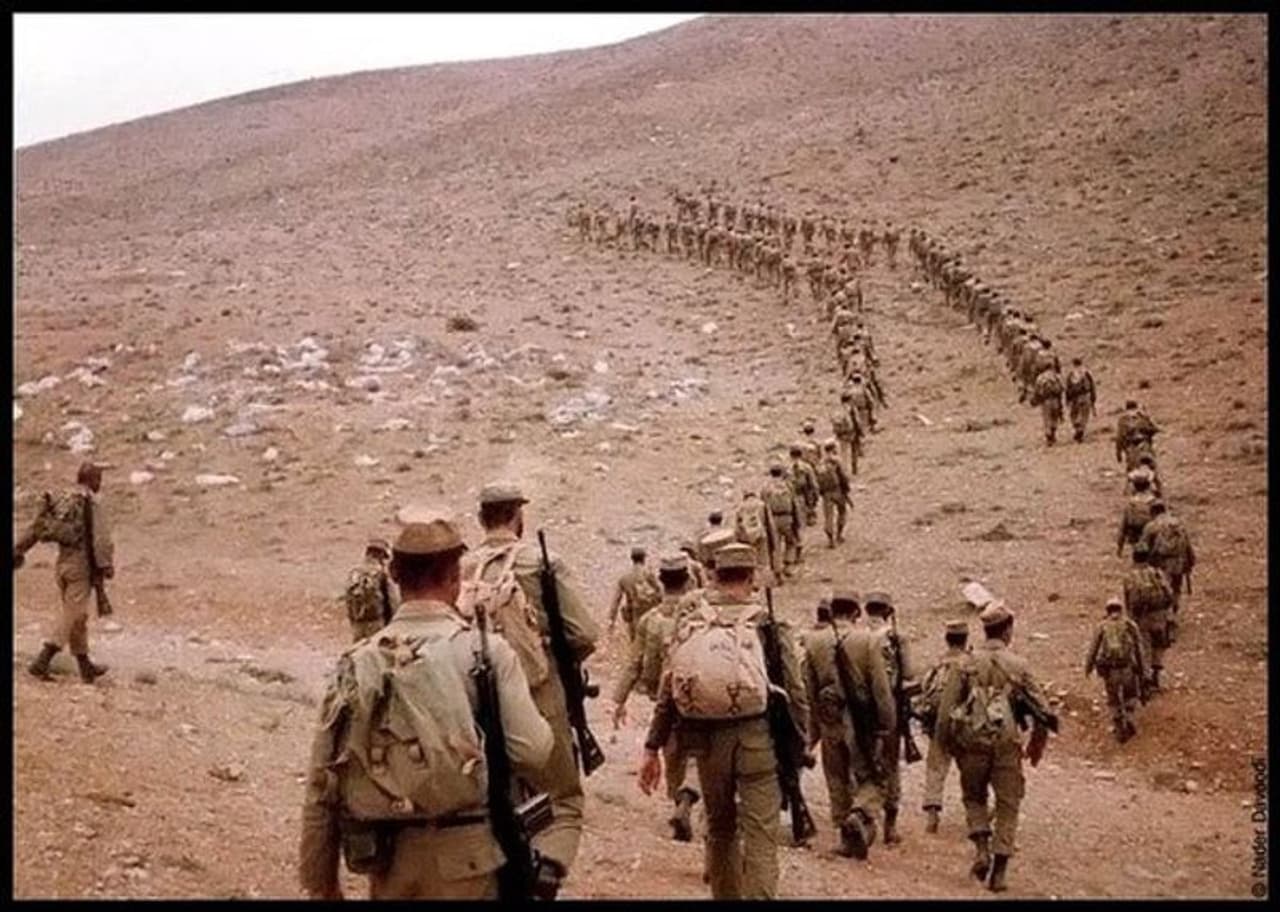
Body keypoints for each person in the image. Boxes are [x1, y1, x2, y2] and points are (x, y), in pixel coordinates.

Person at [298, 517, 554, 900]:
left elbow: (323, 782)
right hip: (471, 862)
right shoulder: (485, 653)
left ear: (395, 577)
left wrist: (322, 883)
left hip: (388, 862)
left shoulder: (358, 661)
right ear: (455, 578)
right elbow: (533, 752)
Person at [638, 543, 808, 899]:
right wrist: (799, 744)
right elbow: (795, 692)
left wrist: (652, 746)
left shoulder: (693, 622)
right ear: (751, 577)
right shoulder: (767, 624)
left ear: (714, 576)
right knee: (761, 836)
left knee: (719, 829)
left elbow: (669, 688)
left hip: (707, 743)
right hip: (757, 741)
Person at [463, 482, 600, 895]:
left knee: (492, 793)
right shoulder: (541, 563)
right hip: (539, 693)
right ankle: (550, 864)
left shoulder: (462, 568)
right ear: (518, 517)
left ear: (481, 518)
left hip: (473, 699)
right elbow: (584, 633)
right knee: (563, 798)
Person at [935, 602, 1057, 893]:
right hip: (1006, 743)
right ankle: (999, 872)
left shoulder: (966, 663)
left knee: (974, 796)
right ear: (1007, 631)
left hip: (971, 742)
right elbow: (1044, 710)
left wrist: (945, 745)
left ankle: (981, 849)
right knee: (1008, 803)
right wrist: (1037, 743)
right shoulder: (1019, 665)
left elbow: (946, 709)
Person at [612, 553, 700, 841]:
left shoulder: (649, 620)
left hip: (666, 700)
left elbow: (634, 664)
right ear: (688, 581)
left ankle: (678, 801)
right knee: (698, 752)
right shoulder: (701, 614)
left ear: (661, 582)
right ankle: (690, 800)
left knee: (673, 753)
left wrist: (619, 700)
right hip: (699, 697)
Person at [802, 591, 895, 860]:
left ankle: (845, 835)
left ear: (832, 612)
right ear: (856, 612)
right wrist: (886, 724)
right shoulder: (868, 640)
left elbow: (809, 691)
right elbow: (880, 688)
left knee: (836, 777)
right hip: (862, 721)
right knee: (873, 776)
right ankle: (861, 811)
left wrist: (813, 732)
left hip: (829, 719)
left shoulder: (814, 641)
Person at [16, 461, 114, 683]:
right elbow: (102, 538)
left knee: (77, 616)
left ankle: (85, 665)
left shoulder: (63, 500)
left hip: (62, 564)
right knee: (72, 615)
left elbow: (36, 528)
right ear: (91, 480)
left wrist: (19, 549)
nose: (100, 483)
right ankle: (43, 660)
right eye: (98, 479)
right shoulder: (92, 502)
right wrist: (105, 565)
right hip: (81, 567)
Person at [863, 591, 917, 845]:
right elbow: (909, 673)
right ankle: (890, 826)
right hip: (890, 708)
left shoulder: (857, 637)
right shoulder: (896, 638)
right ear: (888, 612)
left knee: (865, 762)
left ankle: (865, 816)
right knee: (891, 764)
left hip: (863, 710)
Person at [918, 620, 971, 834]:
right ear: (965, 640)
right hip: (962, 724)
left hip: (938, 723)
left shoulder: (938, 663)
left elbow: (924, 689)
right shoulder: (969, 663)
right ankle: (975, 813)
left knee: (935, 767)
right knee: (969, 769)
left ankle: (932, 812)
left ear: (947, 640)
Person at [1084, 597, 1146, 742]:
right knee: (1130, 695)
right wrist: (1142, 669)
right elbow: (1139, 648)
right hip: (1127, 668)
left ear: (1108, 610)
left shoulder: (1102, 626)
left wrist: (1088, 667)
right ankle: (1129, 718)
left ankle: (1118, 725)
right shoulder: (1130, 625)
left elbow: (1093, 649)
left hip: (1110, 671)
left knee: (1113, 699)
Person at [1123, 542, 1175, 694]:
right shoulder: (1158, 573)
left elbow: (1129, 600)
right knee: (1158, 646)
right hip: (1159, 616)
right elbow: (1169, 594)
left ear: (1134, 557)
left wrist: (1131, 618)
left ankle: (1145, 680)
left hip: (1142, 617)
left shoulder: (1130, 577)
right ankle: (1156, 676)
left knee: (1144, 647)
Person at [1137, 500, 1196, 616]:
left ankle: (1166, 615)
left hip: (1161, 564)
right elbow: (1187, 544)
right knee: (1176, 588)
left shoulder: (1151, 526)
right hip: (1179, 563)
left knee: (1163, 589)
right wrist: (1191, 561)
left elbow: (1142, 547)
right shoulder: (1178, 524)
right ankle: (1174, 610)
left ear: (1153, 512)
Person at [342, 538, 399, 642]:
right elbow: (392, 602)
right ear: (381, 555)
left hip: (357, 624)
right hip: (376, 624)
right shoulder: (381, 574)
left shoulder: (354, 572)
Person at [608, 546, 662, 640]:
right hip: (651, 613)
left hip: (635, 615)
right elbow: (660, 591)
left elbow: (616, 601)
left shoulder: (624, 578)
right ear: (643, 558)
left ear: (632, 559)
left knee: (635, 641)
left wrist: (611, 620)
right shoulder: (649, 574)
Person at [762, 463, 802, 579]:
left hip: (772, 519)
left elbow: (763, 505)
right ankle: (788, 564)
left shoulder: (766, 488)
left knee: (775, 546)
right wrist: (797, 521)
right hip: (787, 518)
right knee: (791, 542)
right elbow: (794, 504)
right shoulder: (787, 486)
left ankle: (776, 570)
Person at [815, 439, 853, 547]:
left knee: (828, 516)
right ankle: (839, 535)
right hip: (838, 491)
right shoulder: (836, 461)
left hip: (826, 494)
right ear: (833, 448)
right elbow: (843, 476)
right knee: (842, 512)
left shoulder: (820, 463)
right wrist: (846, 489)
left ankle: (830, 540)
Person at [1064, 357, 1097, 442]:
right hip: (1085, 396)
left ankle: (1077, 427)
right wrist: (1093, 398)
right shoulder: (1086, 373)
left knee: (1073, 414)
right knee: (1084, 414)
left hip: (1074, 398)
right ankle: (1081, 429)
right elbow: (1092, 386)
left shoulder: (1071, 374)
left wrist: (1067, 400)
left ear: (1073, 364)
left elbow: (1067, 388)